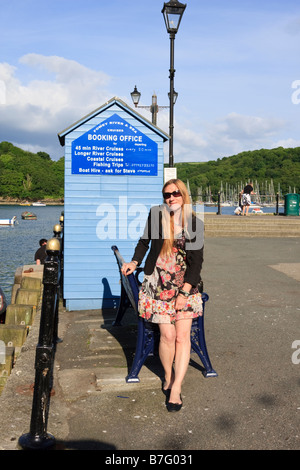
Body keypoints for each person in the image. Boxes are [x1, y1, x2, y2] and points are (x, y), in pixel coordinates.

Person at [121, 179, 204, 412]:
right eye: (167, 194)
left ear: (183, 195)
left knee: (182, 336)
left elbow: (197, 262)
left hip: (185, 285)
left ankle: (176, 387)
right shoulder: (157, 215)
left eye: (175, 193)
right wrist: (134, 261)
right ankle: (168, 376)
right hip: (157, 284)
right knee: (167, 335)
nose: (171, 198)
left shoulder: (194, 223)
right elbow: (144, 242)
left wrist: (185, 291)